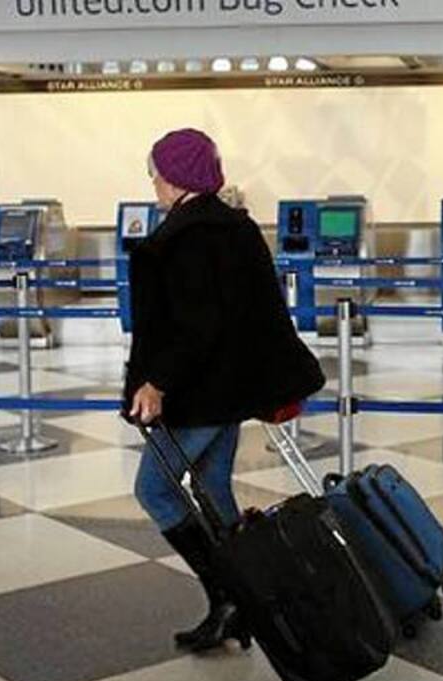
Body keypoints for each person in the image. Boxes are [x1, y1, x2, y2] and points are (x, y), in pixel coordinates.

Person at [125, 129, 325, 652]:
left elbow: (197, 325)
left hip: (198, 394)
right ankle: (242, 601)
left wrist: (157, 381)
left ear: (177, 179)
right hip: (230, 389)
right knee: (214, 491)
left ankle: (230, 596)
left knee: (154, 489)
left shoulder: (189, 237)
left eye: (157, 174)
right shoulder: (234, 226)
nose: (153, 184)